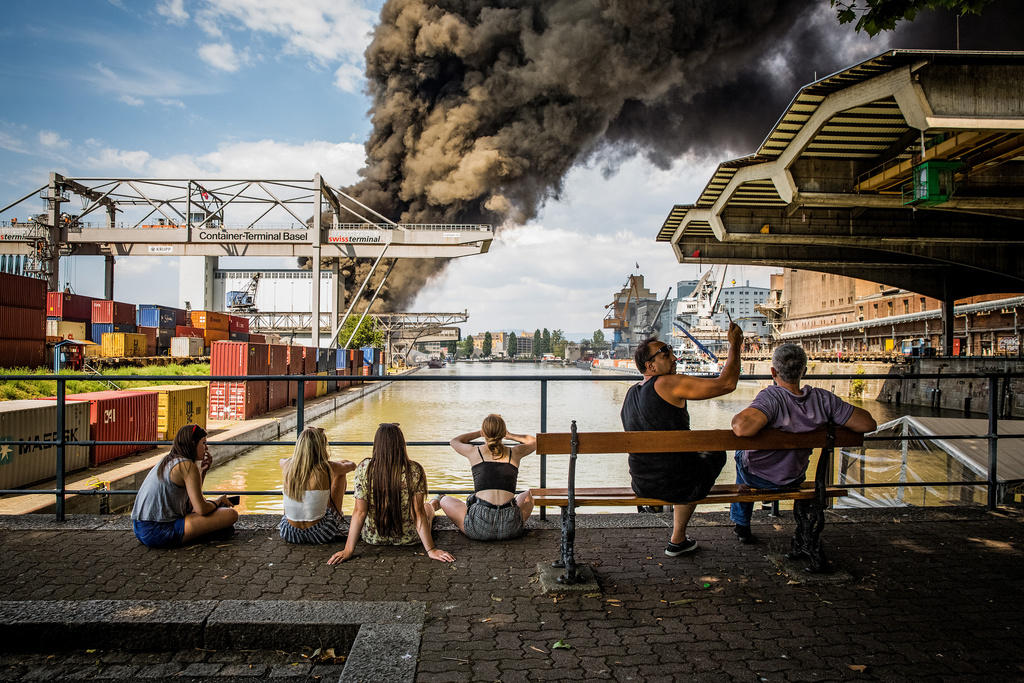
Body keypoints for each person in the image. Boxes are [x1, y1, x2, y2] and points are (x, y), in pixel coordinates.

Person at [729, 343, 876, 543]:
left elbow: (741, 428)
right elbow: (868, 423)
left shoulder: (772, 397)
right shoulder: (823, 400)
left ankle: (742, 524)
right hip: (794, 477)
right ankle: (803, 525)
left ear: (773, 371)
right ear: (804, 371)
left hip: (758, 478)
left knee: (741, 456)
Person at [620, 324, 744, 557]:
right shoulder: (667, 383)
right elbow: (727, 384)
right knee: (715, 454)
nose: (674, 357)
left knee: (686, 462)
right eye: (666, 353)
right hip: (676, 482)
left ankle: (678, 540)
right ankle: (677, 537)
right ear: (651, 366)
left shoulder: (630, 394)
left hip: (641, 482)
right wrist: (735, 345)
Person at [327, 423, 454, 565]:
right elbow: (417, 513)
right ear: (401, 444)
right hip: (408, 537)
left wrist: (348, 550)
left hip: (373, 537)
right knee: (426, 509)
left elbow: (359, 512)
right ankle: (435, 502)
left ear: (377, 444)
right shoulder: (414, 470)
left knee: (423, 509)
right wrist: (431, 550)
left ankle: (434, 502)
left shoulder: (364, 468)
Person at [131, 424, 238, 548]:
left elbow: (192, 504)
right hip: (158, 531)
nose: (206, 448)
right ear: (193, 443)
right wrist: (219, 501)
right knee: (231, 515)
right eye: (203, 443)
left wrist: (202, 473)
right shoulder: (187, 465)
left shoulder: (169, 460)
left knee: (216, 514)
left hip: (141, 529)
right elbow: (201, 509)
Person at [439, 414, 536, 541]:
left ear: (484, 432)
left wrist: (479, 433)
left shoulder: (474, 451)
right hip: (511, 527)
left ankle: (469, 521)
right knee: (528, 495)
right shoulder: (515, 452)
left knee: (444, 500)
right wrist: (510, 435)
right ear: (502, 432)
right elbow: (534, 442)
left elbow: (454, 441)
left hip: (479, 527)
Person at [278, 426, 356, 544]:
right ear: (320, 447)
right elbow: (352, 465)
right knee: (341, 474)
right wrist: (340, 462)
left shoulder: (287, 465)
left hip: (289, 533)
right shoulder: (327, 467)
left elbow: (281, 460)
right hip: (321, 534)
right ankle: (338, 515)